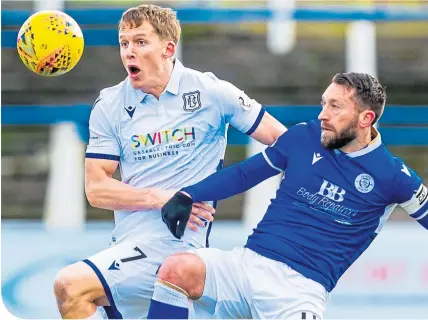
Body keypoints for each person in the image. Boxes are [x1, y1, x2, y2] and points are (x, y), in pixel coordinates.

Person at [52, 4, 286, 320]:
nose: (128, 52)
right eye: (124, 43)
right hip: (126, 247)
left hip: (176, 247)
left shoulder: (211, 92)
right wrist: (162, 198)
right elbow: (96, 189)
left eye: (140, 42)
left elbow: (284, 143)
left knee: (70, 287)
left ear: (168, 48)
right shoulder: (110, 104)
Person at [147, 72, 428, 320]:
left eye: (335, 107)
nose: (322, 115)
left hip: (300, 291)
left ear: (366, 118)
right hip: (248, 265)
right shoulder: (304, 136)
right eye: (323, 103)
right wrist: (189, 194)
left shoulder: (395, 177)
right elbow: (245, 174)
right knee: (177, 269)